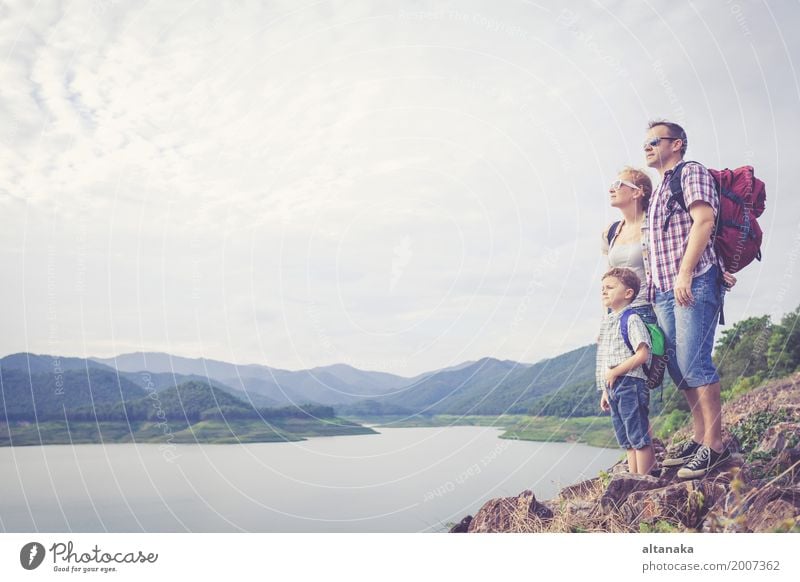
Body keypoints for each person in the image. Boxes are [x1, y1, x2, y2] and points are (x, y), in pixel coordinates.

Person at [643, 120, 731, 478]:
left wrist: (685, 272)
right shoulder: (660, 190)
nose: (647, 146)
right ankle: (699, 438)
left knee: (695, 362)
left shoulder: (689, 172)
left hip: (692, 281)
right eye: (645, 142)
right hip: (663, 290)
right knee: (679, 369)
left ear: (677, 144)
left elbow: (704, 220)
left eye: (654, 141)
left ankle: (715, 446)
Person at [596, 267, 655, 475]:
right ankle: (633, 478)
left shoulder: (631, 319)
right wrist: (605, 389)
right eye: (602, 288)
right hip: (614, 387)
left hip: (630, 384)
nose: (604, 291)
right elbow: (607, 360)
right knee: (627, 439)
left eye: (610, 287)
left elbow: (642, 355)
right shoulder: (608, 323)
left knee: (638, 435)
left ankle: (645, 480)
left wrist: (615, 373)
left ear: (628, 293)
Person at [601, 167, 657, 326]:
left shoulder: (655, 227)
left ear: (637, 192)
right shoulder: (611, 231)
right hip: (616, 313)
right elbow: (608, 278)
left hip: (646, 311)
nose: (612, 189)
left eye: (619, 184)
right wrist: (605, 318)